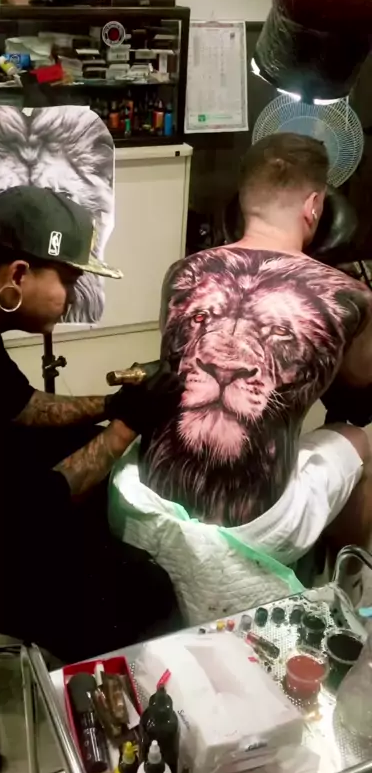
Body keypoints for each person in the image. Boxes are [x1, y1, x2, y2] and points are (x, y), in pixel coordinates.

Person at [0, 185, 183, 661]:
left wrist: (113, 404)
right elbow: (36, 506)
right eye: (67, 280)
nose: (72, 297)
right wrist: (126, 427)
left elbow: (19, 404)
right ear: (18, 274)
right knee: (140, 598)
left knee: (86, 453)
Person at [138, 133, 372, 594]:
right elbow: (361, 380)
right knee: (358, 438)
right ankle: (348, 590)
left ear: (242, 201)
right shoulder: (351, 296)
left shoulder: (182, 272)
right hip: (260, 525)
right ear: (314, 206)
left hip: (152, 498)